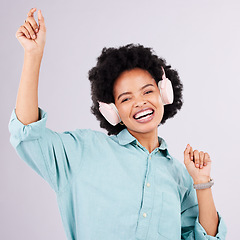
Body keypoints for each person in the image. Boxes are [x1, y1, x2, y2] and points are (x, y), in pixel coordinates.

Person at [9, 8, 227, 240]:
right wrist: (33, 56)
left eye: (148, 91)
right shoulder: (82, 151)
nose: (140, 102)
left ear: (164, 94)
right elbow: (27, 134)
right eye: (126, 98)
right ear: (112, 111)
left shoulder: (179, 175)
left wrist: (202, 183)